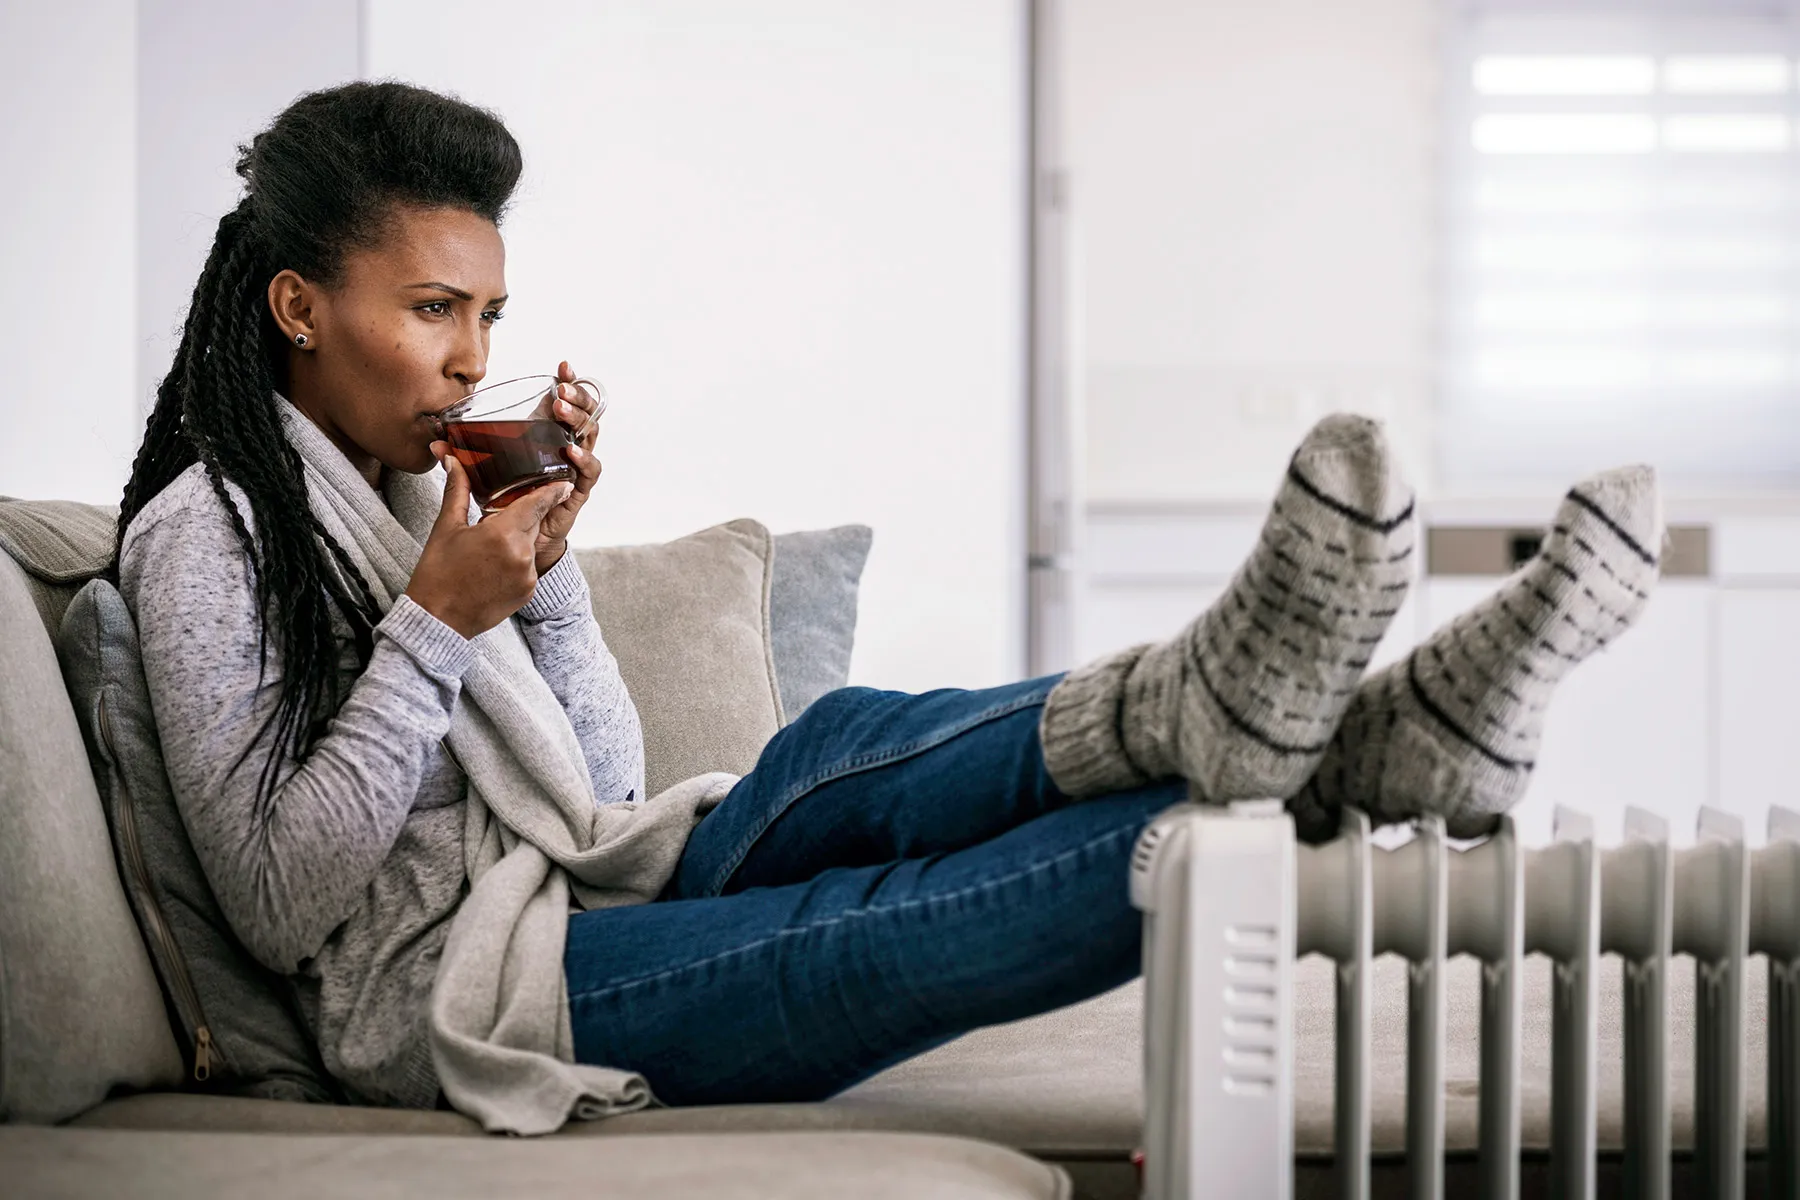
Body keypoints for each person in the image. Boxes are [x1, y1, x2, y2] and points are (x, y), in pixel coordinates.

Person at [114, 80, 1664, 1135]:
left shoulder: (402, 496)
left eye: (490, 314)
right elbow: (274, 898)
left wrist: (552, 576)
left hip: (575, 883)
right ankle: (1357, 767)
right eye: (432, 311)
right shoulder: (208, 535)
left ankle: (1223, 702)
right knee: (848, 940)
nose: (469, 358)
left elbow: (602, 790)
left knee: (835, 750)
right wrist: (442, 627)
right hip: (439, 994)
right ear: (300, 307)